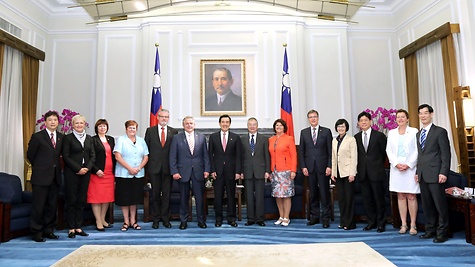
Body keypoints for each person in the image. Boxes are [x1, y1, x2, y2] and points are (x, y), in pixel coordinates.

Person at [416, 104, 451, 243]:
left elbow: (445, 154)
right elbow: (420, 155)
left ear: (431, 114)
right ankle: (430, 229)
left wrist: (444, 172)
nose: (423, 116)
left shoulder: (440, 132)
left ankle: (443, 232)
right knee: (427, 204)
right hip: (423, 174)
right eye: (420, 113)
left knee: (440, 205)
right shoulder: (419, 134)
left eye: (426, 113)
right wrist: (418, 172)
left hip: (436, 174)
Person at [27, 111, 64, 242]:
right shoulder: (38, 137)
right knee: (39, 205)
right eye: (50, 120)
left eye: (55, 120)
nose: (53, 122)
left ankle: (49, 230)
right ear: (45, 122)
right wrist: (41, 167)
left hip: (55, 177)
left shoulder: (61, 137)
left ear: (58, 122)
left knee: (52, 206)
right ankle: (36, 232)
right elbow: (30, 155)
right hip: (40, 177)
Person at [169, 116, 211, 230]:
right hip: (182, 172)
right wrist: (174, 171)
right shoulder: (177, 138)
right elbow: (173, 156)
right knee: (183, 198)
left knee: (199, 198)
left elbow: (205, 155)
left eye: (191, 123)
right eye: (187, 123)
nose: (189, 125)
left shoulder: (201, 137)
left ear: (194, 125)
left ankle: (201, 220)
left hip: (198, 171)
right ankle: (183, 221)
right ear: (183, 125)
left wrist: (207, 170)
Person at [386, 109, 420, 235]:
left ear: (407, 119)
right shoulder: (392, 133)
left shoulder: (414, 131)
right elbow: (389, 150)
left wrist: (408, 164)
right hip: (396, 168)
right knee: (400, 195)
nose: (400, 119)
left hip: (410, 167)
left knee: (411, 195)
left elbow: (417, 150)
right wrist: (396, 164)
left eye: (402, 117)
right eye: (398, 117)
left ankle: (413, 224)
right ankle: (404, 224)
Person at [62, 114, 95, 238]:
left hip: (86, 173)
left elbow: (92, 155)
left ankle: (78, 227)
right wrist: (78, 168)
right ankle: (71, 228)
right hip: (72, 173)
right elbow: (66, 156)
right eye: (77, 123)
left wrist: (87, 168)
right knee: (72, 200)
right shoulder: (68, 138)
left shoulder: (89, 138)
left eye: (81, 123)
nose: (79, 125)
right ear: (72, 125)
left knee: (81, 200)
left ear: (84, 124)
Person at [144, 109, 178, 229]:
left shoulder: (174, 131)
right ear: (158, 117)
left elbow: (176, 151)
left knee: (167, 195)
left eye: (166, 117)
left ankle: (166, 218)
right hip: (154, 168)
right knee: (155, 194)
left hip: (169, 168)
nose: (164, 119)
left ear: (168, 118)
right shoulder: (150, 131)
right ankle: (156, 219)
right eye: (162, 116)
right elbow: (146, 150)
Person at [354, 111, 388, 233]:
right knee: (367, 200)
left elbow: (384, 154)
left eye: (365, 120)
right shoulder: (356, 138)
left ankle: (381, 223)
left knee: (379, 199)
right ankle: (371, 222)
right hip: (363, 173)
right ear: (358, 123)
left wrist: (377, 165)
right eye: (361, 121)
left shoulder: (379, 136)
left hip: (377, 172)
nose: (363, 122)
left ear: (370, 122)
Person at [299, 110, 332, 228]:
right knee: (313, 194)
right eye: (310, 117)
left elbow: (330, 151)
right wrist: (303, 166)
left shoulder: (326, 131)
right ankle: (314, 216)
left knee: (324, 193)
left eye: (315, 117)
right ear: (308, 119)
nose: (313, 119)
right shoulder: (304, 132)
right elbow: (301, 151)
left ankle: (326, 218)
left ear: (318, 118)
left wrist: (329, 166)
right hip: (309, 168)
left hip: (323, 168)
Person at [114, 120, 149, 232]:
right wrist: (129, 168)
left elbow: (146, 156)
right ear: (126, 129)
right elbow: (118, 157)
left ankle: (133, 221)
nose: (132, 130)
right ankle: (126, 221)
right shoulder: (121, 140)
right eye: (130, 128)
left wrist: (138, 168)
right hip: (124, 174)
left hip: (138, 174)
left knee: (134, 198)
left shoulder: (141, 141)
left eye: (134, 128)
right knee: (125, 198)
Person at [208, 114, 242, 227]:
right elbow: (210, 155)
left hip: (231, 172)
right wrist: (212, 170)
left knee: (231, 196)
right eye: (223, 122)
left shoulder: (236, 137)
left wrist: (238, 171)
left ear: (230, 124)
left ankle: (231, 218)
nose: (225, 124)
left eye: (227, 122)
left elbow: (238, 156)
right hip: (217, 172)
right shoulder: (213, 137)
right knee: (218, 196)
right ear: (219, 123)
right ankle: (218, 219)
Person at [240, 117, 270, 226]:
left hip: (260, 171)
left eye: (254, 124)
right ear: (247, 126)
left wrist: (267, 170)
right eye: (250, 124)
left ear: (257, 126)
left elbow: (267, 156)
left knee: (260, 196)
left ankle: (260, 219)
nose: (252, 126)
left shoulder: (264, 139)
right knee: (248, 196)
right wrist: (240, 171)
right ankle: (250, 219)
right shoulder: (242, 139)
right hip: (247, 171)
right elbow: (240, 157)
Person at [268, 119, 297, 227]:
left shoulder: (289, 139)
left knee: (286, 195)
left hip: (286, 170)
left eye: (280, 125)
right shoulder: (271, 139)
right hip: (275, 171)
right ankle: (281, 216)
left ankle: (286, 217)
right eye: (277, 125)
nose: (278, 127)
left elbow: (294, 155)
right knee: (277, 195)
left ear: (284, 127)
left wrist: (293, 170)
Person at [88, 119, 116, 231]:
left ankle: (103, 219)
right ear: (96, 128)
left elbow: (114, 156)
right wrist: (95, 170)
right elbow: (90, 157)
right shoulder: (92, 140)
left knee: (106, 198)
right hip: (97, 174)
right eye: (100, 126)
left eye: (104, 126)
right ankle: (98, 220)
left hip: (109, 173)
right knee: (96, 198)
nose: (102, 128)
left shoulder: (111, 139)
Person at [331, 118, 357, 230]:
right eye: (339, 126)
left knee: (349, 198)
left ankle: (350, 223)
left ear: (346, 128)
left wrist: (352, 173)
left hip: (348, 173)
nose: (340, 128)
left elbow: (354, 157)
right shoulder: (334, 141)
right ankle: (343, 221)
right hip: (338, 173)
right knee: (341, 199)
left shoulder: (351, 140)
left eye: (343, 126)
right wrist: (333, 172)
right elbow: (333, 158)